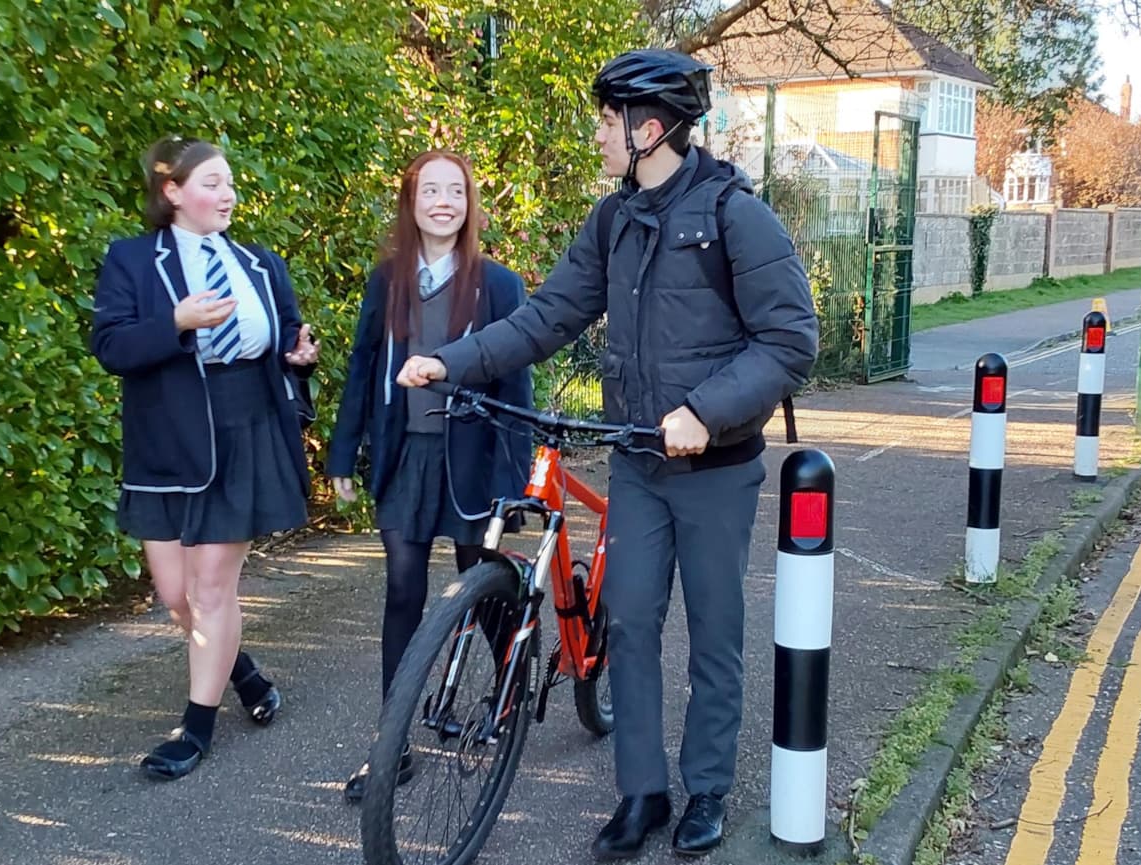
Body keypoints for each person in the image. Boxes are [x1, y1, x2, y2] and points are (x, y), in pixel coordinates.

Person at [397, 51, 818, 859]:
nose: (597, 133)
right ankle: (643, 792)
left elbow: (790, 340)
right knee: (627, 621)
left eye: (606, 120)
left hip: (714, 469)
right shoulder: (612, 221)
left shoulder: (737, 216)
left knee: (715, 632)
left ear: (647, 128)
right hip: (636, 462)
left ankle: (707, 791)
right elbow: (549, 315)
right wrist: (453, 358)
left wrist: (705, 409)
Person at [90, 135, 320, 781]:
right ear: (172, 191)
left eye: (230, 182)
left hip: (244, 427)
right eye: (213, 183)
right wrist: (176, 322)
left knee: (211, 587)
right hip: (165, 439)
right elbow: (109, 347)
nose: (229, 194)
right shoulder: (133, 261)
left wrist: (299, 356)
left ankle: (195, 729)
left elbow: (285, 339)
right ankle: (243, 674)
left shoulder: (259, 262)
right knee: (175, 593)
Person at [327, 151, 532, 803]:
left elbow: (515, 381)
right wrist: (341, 457)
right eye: (429, 190)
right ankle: (393, 750)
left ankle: (509, 690)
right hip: (407, 457)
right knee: (402, 591)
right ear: (411, 202)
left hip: (473, 461)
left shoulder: (498, 284)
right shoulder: (387, 279)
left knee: (485, 581)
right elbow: (363, 366)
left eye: (455, 190)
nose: (442, 200)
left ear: (469, 203)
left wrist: (516, 472)